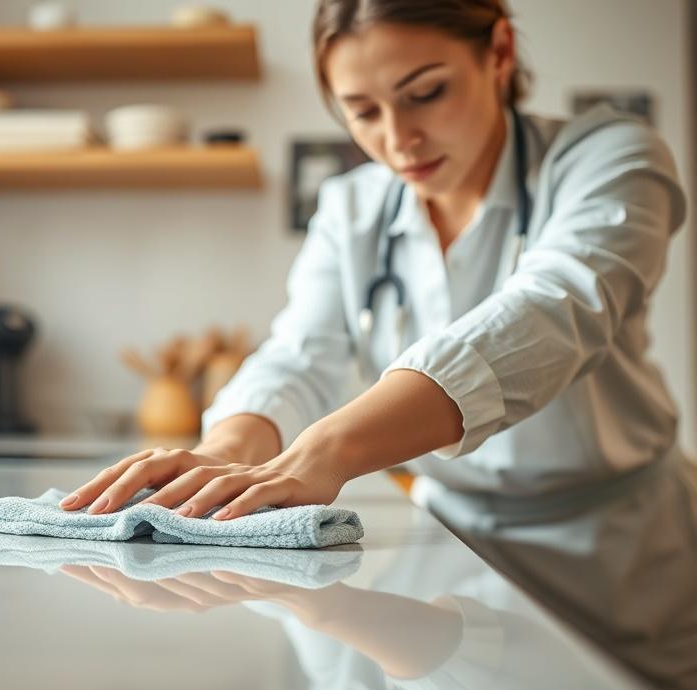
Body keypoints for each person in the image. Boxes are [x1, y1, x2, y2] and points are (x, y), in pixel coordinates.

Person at [59, 0, 687, 520]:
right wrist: (228, 449)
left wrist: (329, 450)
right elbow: (301, 354)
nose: (397, 139)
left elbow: (554, 311)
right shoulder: (351, 208)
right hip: (451, 535)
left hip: (617, 547)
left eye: (426, 93)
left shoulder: (611, 157)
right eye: (362, 112)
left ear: (499, 53)